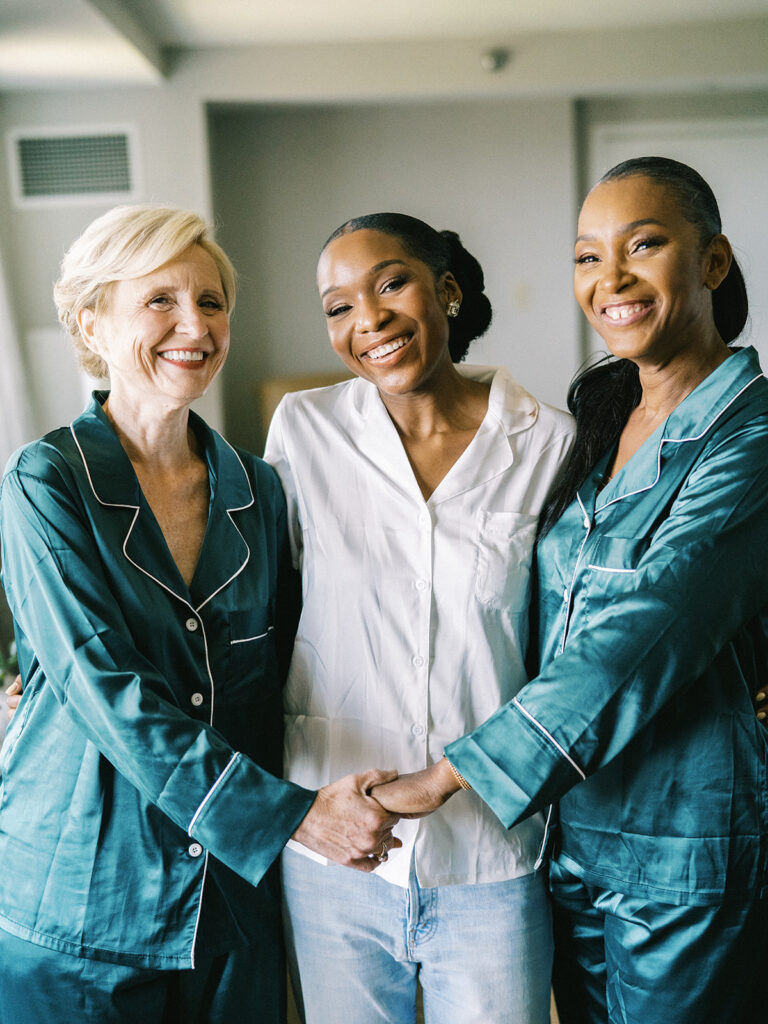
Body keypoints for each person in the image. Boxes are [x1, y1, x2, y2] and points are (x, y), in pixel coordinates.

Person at [373, 157, 768, 1023]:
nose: (610, 278)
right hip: (571, 839)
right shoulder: (597, 417)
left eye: (643, 245)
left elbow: (653, 621)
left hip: (684, 848)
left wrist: (450, 775)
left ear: (713, 261)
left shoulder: (752, 437)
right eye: (588, 256)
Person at [0, 205, 399, 1024]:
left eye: (212, 302)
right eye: (161, 300)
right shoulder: (46, 482)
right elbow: (103, 686)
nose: (196, 325)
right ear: (91, 321)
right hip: (83, 899)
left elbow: (287, 674)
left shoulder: (257, 490)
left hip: (229, 910)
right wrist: (294, 817)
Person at [264, 213, 575, 1023]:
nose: (367, 319)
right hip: (336, 844)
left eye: (391, 283)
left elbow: (565, 651)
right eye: (338, 307)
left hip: (490, 855)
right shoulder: (305, 430)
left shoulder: (549, 443)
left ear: (447, 290)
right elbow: (269, 610)